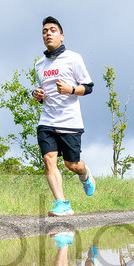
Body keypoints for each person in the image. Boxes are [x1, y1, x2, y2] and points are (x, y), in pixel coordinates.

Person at [32, 16, 96, 217]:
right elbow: (45, 95)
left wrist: (70, 89)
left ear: (61, 35)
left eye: (52, 30)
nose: (48, 33)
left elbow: (89, 88)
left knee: (72, 165)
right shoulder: (39, 64)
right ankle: (62, 203)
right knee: (49, 159)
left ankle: (85, 175)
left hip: (69, 121)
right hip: (47, 121)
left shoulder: (73, 58)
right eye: (45, 31)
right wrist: (37, 96)